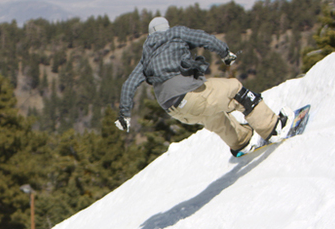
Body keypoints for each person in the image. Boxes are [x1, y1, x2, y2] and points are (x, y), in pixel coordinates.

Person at [115, 16, 293, 156]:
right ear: (165, 28)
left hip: (175, 110)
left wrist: (125, 116)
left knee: (214, 116)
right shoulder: (175, 33)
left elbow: (128, 85)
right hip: (189, 94)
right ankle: (273, 127)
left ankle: (242, 141)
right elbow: (203, 38)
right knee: (235, 90)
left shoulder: (146, 58)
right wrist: (226, 54)